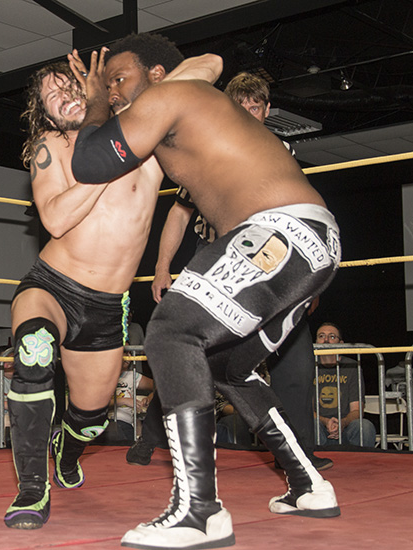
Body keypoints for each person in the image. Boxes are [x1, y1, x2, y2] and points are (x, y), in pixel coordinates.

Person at [70, 32, 341, 549]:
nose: (114, 90)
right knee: (225, 367)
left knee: (171, 332)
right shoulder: (188, 104)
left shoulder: (168, 96)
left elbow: (89, 163)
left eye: (120, 78)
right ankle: (309, 484)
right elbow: (212, 62)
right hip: (311, 243)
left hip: (277, 232)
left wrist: (96, 103)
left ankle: (199, 511)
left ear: (156, 75)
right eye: (109, 84)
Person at [3, 52, 222, 530]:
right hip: (52, 285)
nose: (63, 97)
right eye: (51, 97)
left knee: (91, 417)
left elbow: (210, 64)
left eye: (68, 85)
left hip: (106, 305)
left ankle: (66, 450)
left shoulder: (139, 131)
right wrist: (105, 160)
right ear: (46, 114)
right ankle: (31, 488)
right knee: (34, 350)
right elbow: (55, 218)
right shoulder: (52, 145)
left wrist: (125, 94)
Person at [132, 70, 330, 471]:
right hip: (222, 258)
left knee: (294, 358)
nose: (248, 112)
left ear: (267, 110)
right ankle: (152, 436)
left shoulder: (279, 150)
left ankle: (298, 454)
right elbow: (179, 213)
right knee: (193, 350)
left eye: (255, 106)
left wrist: (310, 281)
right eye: (240, 105)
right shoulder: (209, 148)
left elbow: (303, 206)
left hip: (277, 255)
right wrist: (161, 267)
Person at [314, 322, 376, 447]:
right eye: (321, 336)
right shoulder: (307, 367)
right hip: (319, 427)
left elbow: (357, 410)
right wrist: (326, 422)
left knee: (365, 426)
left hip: (346, 428)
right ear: (316, 341)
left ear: (341, 343)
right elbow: (306, 410)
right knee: (310, 425)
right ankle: (313, 459)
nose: (326, 340)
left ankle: (362, 460)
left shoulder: (351, 367)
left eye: (332, 336)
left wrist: (342, 423)